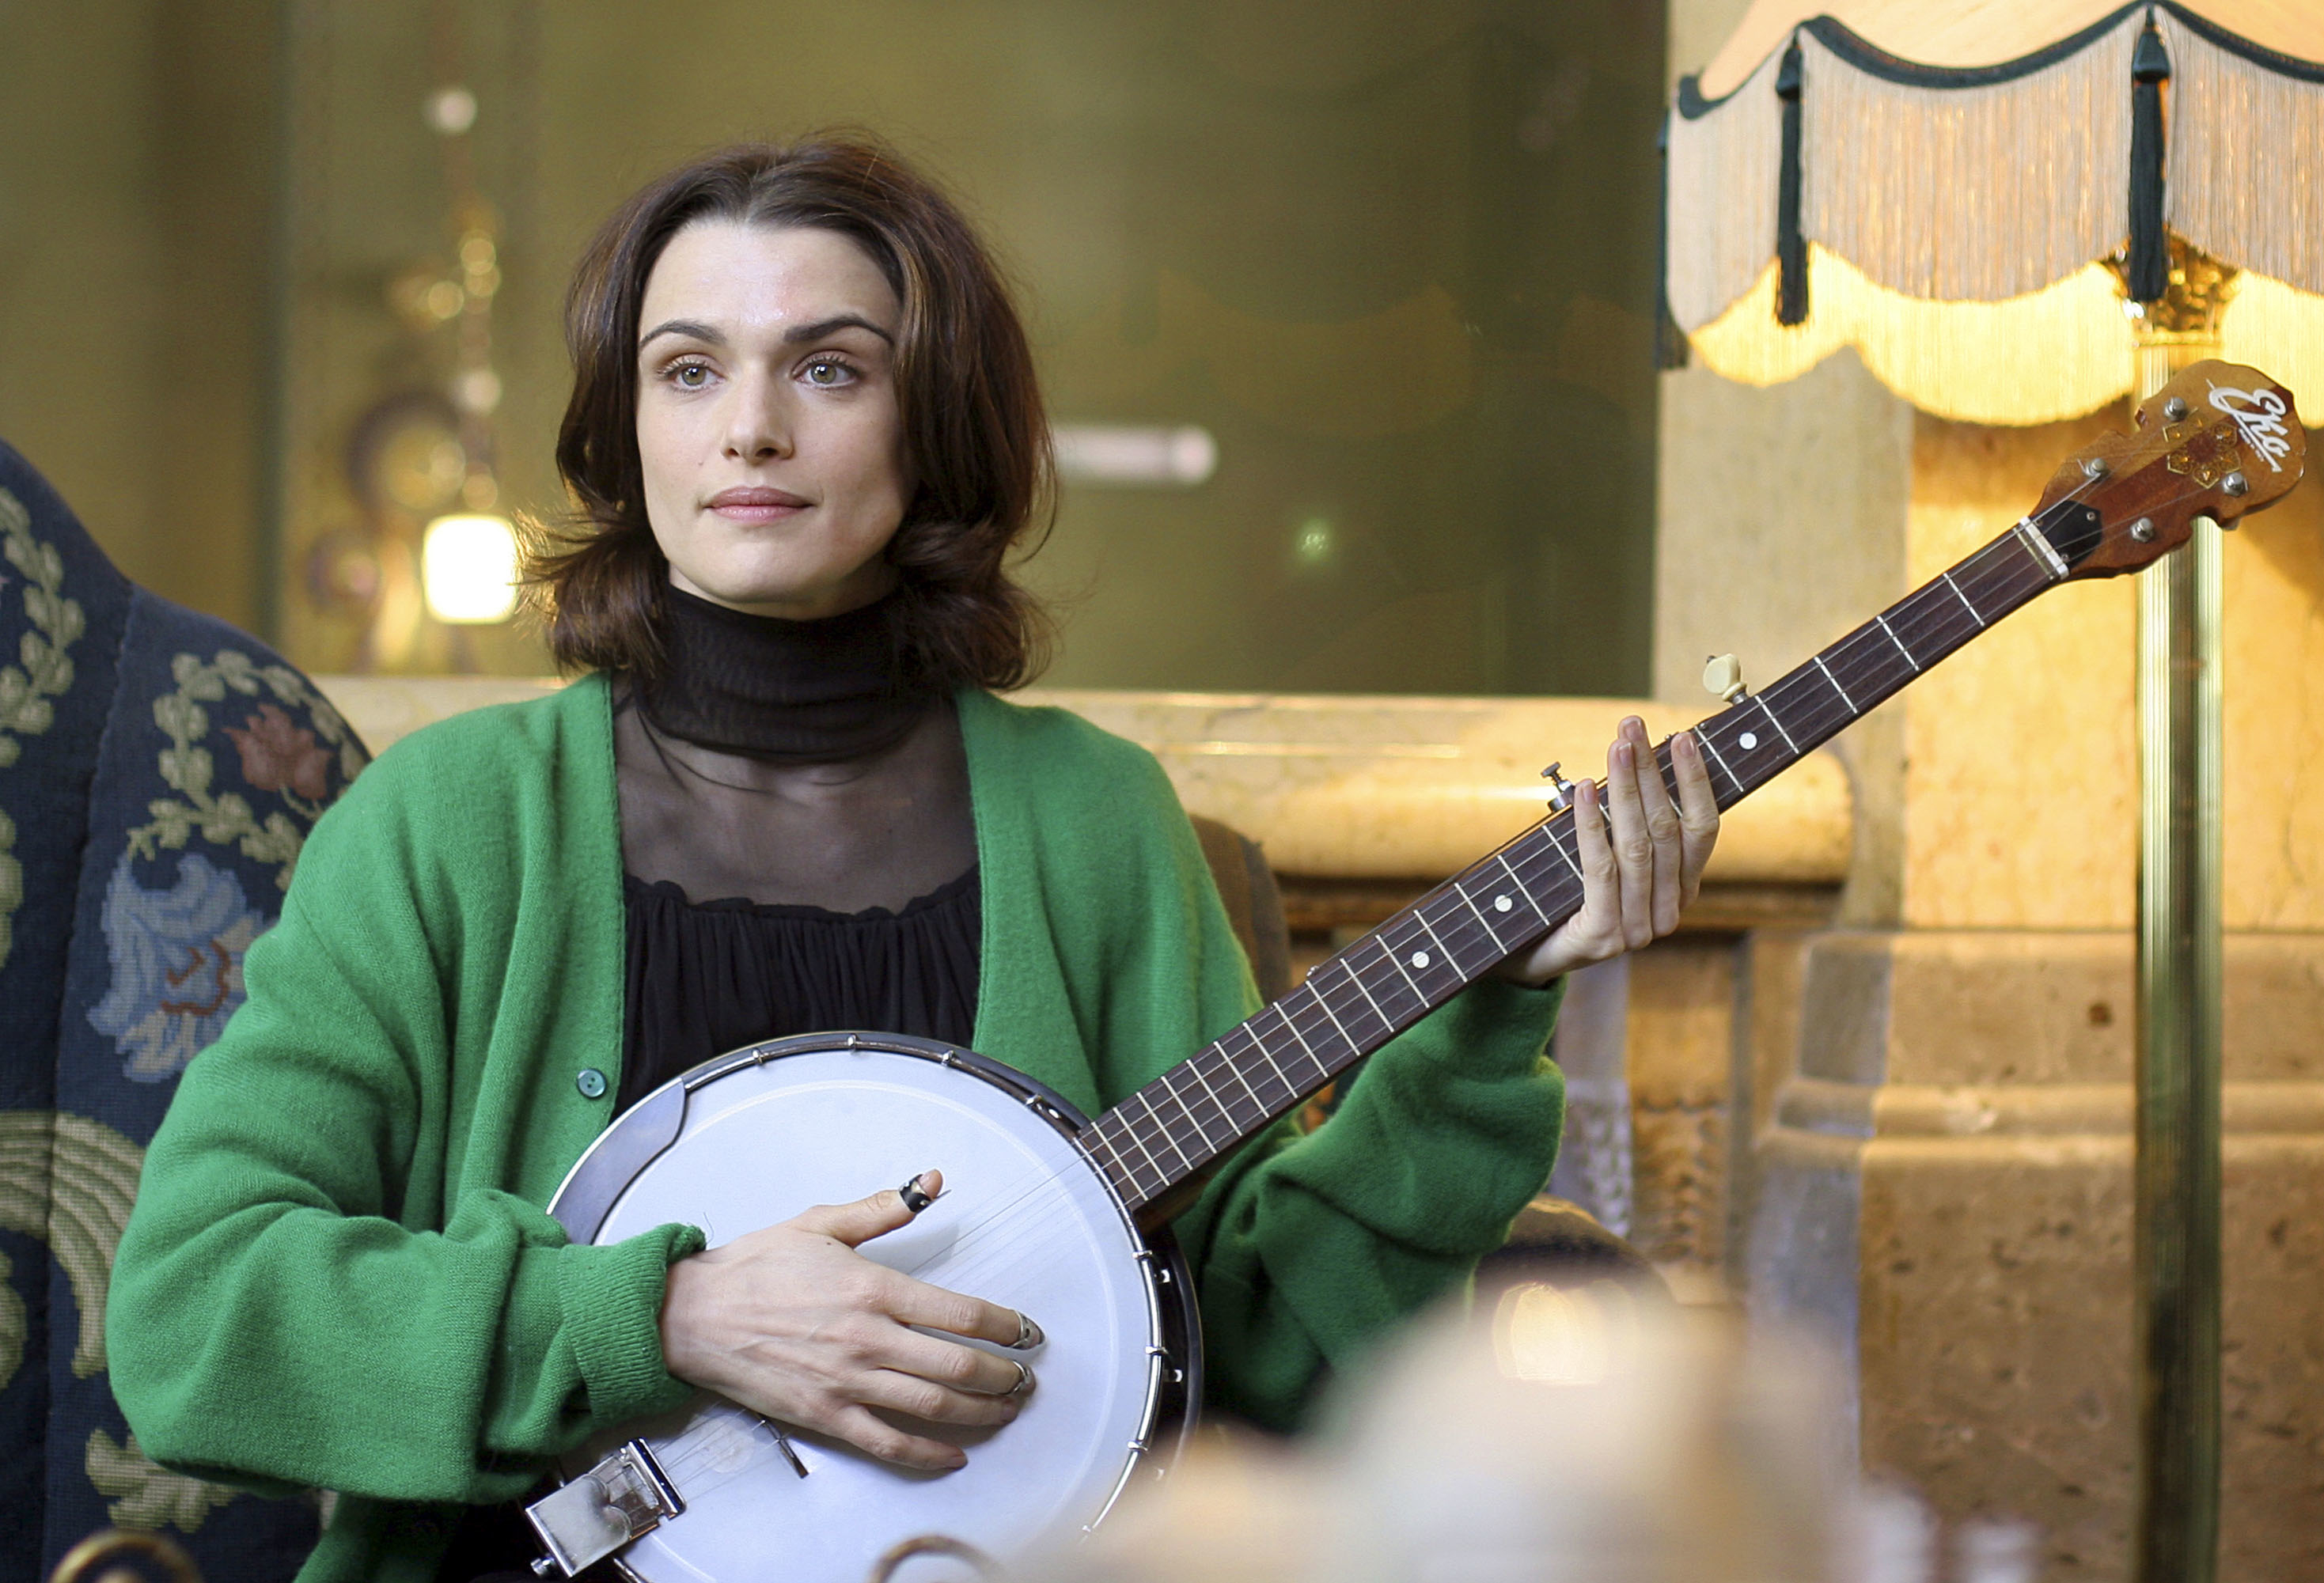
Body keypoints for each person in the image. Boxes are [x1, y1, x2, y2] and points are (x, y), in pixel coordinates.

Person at [106, 137, 1719, 1581]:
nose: (750, 426)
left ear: (932, 419)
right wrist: (666, 1316)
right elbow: (192, 1314)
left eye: (828, 368)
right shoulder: (452, 822)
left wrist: (1488, 1020)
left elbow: (1281, 1360)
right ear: (626, 426)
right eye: (688, 369)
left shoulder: (1097, 822)